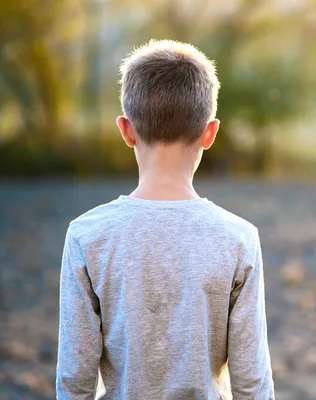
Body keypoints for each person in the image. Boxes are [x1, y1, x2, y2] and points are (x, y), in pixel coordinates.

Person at [56, 39, 274, 400]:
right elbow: (252, 381)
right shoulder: (238, 239)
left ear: (126, 130)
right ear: (210, 133)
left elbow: (74, 376)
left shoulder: (86, 236)